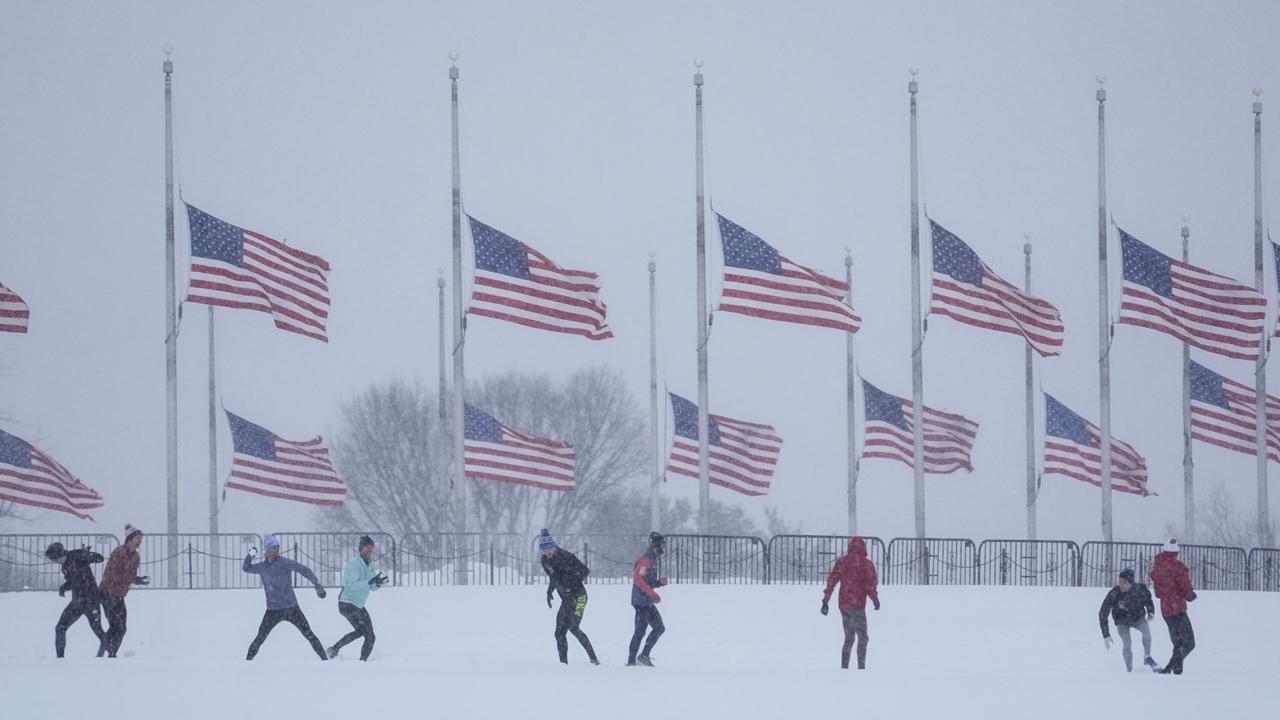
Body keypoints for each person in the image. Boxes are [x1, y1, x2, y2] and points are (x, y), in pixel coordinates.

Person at [242, 534, 329, 661]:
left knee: (309, 634)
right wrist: (250, 555)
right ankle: (247, 663)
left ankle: (325, 661)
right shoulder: (262, 567)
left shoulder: (285, 563)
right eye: (273, 547)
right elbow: (246, 568)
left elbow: (304, 570)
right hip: (273, 610)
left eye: (277, 547)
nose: (276, 550)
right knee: (260, 637)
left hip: (291, 608)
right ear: (266, 550)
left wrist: (317, 585)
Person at [537, 529, 599, 665]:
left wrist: (573, 581)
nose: (548, 552)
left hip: (580, 598)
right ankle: (563, 665)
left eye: (550, 548)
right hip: (567, 599)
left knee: (573, 627)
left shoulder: (566, 556)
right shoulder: (545, 561)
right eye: (544, 549)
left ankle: (594, 660)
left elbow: (585, 571)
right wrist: (550, 591)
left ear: (554, 546)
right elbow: (554, 577)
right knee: (559, 632)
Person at [820, 537, 881, 670]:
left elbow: (831, 581)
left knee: (849, 637)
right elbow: (870, 586)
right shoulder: (866, 564)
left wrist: (826, 600)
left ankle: (844, 668)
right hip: (858, 606)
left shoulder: (842, 562)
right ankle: (861, 667)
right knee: (863, 637)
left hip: (844, 605)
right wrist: (875, 599)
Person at [327, 535, 388, 661]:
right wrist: (370, 580)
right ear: (360, 549)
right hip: (347, 604)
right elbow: (353, 586)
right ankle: (361, 662)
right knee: (369, 635)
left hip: (357, 605)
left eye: (371, 548)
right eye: (367, 548)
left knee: (366, 634)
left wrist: (378, 583)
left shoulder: (370, 564)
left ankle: (334, 649)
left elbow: (371, 587)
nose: (369, 551)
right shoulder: (353, 564)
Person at [45, 541, 108, 658]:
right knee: (60, 628)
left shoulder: (77, 555)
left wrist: (87, 555)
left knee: (98, 631)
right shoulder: (64, 567)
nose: (55, 562)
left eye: (54, 559)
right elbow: (73, 581)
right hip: (77, 603)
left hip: (91, 601)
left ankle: (105, 654)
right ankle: (60, 659)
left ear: (59, 554)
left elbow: (100, 558)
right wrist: (64, 587)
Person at [98, 524, 151, 658]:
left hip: (119, 595)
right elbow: (113, 574)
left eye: (141, 539)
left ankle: (109, 653)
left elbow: (130, 575)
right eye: (137, 538)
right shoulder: (119, 552)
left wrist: (138, 579)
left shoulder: (136, 556)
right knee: (116, 626)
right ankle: (107, 653)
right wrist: (131, 578)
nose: (139, 541)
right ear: (130, 539)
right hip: (107, 593)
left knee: (121, 628)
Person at [1150, 539, 1197, 675]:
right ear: (1176, 552)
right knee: (1189, 643)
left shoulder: (1157, 568)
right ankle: (1170, 668)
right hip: (1178, 607)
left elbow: (1158, 593)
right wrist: (1190, 595)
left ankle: (1176, 672)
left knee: (1178, 642)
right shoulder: (1178, 567)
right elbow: (1185, 586)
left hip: (1165, 609)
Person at [1098, 568, 1157, 672]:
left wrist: (1151, 612)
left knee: (1147, 634)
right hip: (1122, 621)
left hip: (1138, 618)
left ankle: (1147, 657)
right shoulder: (1114, 593)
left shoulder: (1140, 589)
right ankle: (1129, 671)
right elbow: (1103, 613)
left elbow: (1148, 601)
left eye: (1124, 582)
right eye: (1120, 581)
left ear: (1131, 583)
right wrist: (1106, 634)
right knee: (1127, 643)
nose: (1121, 584)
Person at [627, 531, 670, 667]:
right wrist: (651, 593)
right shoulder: (646, 561)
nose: (664, 548)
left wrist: (659, 583)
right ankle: (642, 656)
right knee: (659, 628)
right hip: (642, 602)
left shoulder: (652, 560)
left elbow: (647, 581)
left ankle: (632, 661)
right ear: (655, 546)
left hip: (643, 601)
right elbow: (638, 579)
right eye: (662, 545)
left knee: (640, 631)